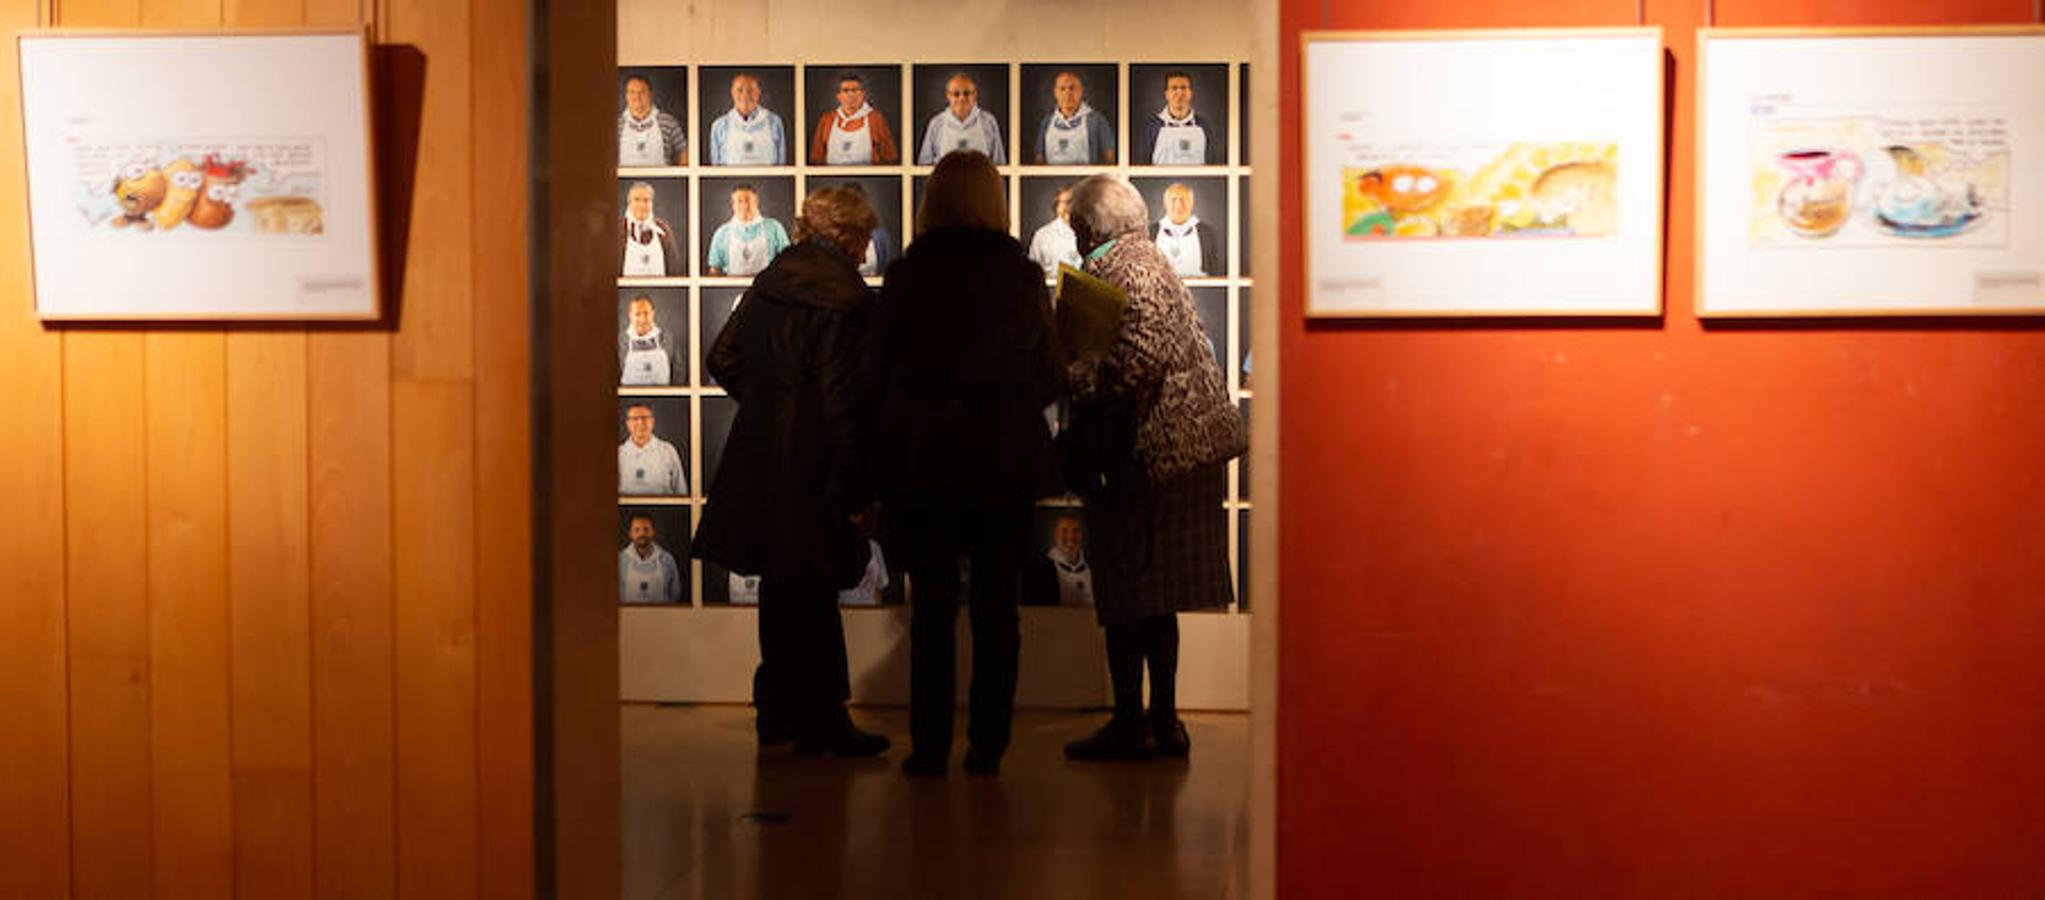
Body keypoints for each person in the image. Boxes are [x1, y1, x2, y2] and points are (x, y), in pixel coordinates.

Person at [876, 151, 1065, 776]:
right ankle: (988, 742)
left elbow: (881, 370)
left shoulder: (907, 276)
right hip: (1001, 453)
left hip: (925, 454)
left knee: (931, 606)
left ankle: (929, 746)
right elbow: (1047, 374)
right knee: (994, 606)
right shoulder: (1019, 276)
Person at [693, 185, 889, 758]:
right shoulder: (847, 298)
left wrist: (768, 406)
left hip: (762, 456)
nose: (863, 252)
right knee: (817, 593)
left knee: (780, 590)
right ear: (848, 237)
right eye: (862, 240)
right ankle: (825, 720)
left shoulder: (772, 280)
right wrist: (856, 481)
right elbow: (838, 399)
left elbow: (721, 357)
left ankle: (775, 713)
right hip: (815, 466)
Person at [1061, 174, 1245, 761]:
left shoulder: (1125, 267)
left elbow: (1140, 355)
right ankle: (1159, 720)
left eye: (1077, 226)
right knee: (1154, 599)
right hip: (1173, 454)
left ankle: (1136, 722)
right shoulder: (1151, 260)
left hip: (1148, 456)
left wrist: (1079, 375)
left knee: (1129, 593)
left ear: (1090, 227)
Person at [917, 72, 1006, 165]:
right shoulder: (936, 123)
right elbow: (924, 165)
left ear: (975, 94)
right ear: (948, 95)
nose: (962, 98)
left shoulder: (989, 122)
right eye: (956, 94)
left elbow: (999, 164)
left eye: (967, 93)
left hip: (980, 180)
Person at [811, 73, 900, 165]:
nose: (851, 95)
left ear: (863, 94)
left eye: (855, 90)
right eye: (846, 90)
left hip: (869, 178)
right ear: (838, 96)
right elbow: (816, 158)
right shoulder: (827, 119)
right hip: (831, 178)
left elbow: (890, 157)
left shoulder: (875, 119)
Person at [1138, 71, 1223, 166]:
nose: (1179, 92)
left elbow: (1213, 165)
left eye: (1183, 88)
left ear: (1190, 93)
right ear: (1166, 94)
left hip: (1198, 181)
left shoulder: (1203, 126)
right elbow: (1143, 166)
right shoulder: (1152, 127)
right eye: (1174, 88)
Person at [705, 183, 791, 277]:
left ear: (756, 202)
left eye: (748, 200)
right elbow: (714, 270)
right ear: (733, 205)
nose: (744, 205)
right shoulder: (721, 233)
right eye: (739, 201)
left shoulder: (775, 228)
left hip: (768, 289)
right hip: (730, 289)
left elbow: (788, 263)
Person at [1033, 71, 1115, 165]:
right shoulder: (1046, 122)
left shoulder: (1097, 121)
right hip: (1051, 179)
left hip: (1087, 179)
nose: (1068, 93)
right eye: (1062, 89)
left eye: (1072, 88)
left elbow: (1110, 160)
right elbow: (1039, 159)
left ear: (1081, 91)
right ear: (1055, 93)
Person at [709, 73, 787, 166]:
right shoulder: (719, 126)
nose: (745, 95)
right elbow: (716, 170)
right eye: (739, 90)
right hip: (731, 181)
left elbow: (782, 167)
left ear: (758, 93)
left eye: (750, 90)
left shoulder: (775, 122)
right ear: (732, 93)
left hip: (767, 180)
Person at [1151, 182, 1223, 277]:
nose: (1179, 205)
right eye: (1173, 199)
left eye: (1184, 199)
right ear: (1165, 203)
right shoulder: (1151, 232)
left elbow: (1215, 270)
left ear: (1192, 203)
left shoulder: (1207, 233)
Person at [619, 403, 687, 496]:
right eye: (634, 418)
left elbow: (681, 490)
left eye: (644, 418)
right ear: (627, 424)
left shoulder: (668, 450)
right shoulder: (619, 453)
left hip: (664, 509)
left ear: (652, 421)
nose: (640, 422)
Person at [1025, 513, 1093, 606]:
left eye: (1076, 530)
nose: (1070, 536)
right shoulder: (1039, 569)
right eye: (1064, 530)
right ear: (1056, 534)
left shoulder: (1094, 566)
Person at [620, 74, 686, 166]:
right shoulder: (616, 124)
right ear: (626, 96)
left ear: (650, 94)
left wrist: (679, 179)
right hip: (623, 180)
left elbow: (683, 152)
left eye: (642, 92)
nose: (637, 97)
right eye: (632, 92)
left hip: (663, 180)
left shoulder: (668, 122)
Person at [620, 181, 683, 277]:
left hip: (661, 290)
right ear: (629, 202)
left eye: (646, 200)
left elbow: (675, 269)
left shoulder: (663, 229)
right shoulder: (618, 229)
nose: (642, 205)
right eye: (637, 199)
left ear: (652, 203)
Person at [619, 294, 682, 386]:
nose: (642, 319)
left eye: (646, 313)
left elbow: (678, 373)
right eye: (637, 314)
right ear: (630, 315)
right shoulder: (621, 341)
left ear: (653, 313)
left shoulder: (667, 339)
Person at [620, 514, 684, 604]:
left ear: (653, 532)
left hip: (661, 617)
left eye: (646, 529)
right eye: (637, 530)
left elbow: (675, 594)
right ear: (630, 533)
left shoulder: (667, 559)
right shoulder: (619, 560)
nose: (642, 534)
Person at [1027, 184, 1082, 277]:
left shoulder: (1089, 233)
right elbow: (1032, 273)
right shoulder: (1042, 235)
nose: (1067, 207)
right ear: (1056, 206)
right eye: (1063, 202)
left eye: (1070, 202)